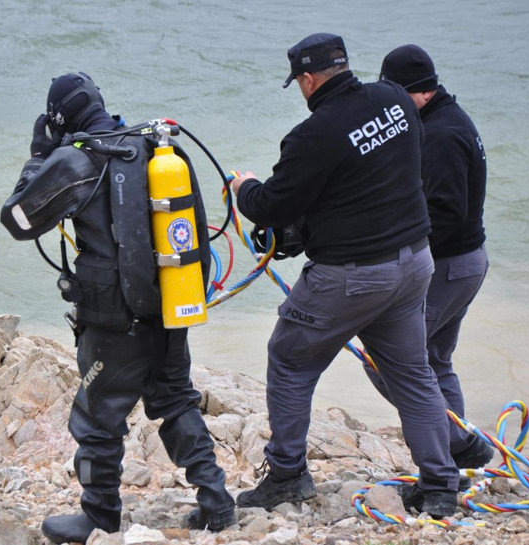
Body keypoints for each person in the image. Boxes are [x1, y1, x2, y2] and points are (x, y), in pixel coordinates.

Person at [229, 33, 460, 518]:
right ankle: (440, 486)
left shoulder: (313, 136)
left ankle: (288, 475)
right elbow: (394, 164)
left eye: (298, 83)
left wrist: (243, 188)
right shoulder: (396, 98)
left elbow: (273, 206)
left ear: (308, 79)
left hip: (352, 275)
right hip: (415, 261)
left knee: (289, 360)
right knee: (414, 372)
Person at [0, 72, 235, 543]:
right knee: (174, 398)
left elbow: (19, 218)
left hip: (112, 320)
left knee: (96, 416)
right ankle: (217, 501)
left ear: (58, 119)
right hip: (171, 303)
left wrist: (39, 156)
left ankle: (98, 516)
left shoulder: (78, 160)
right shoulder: (152, 146)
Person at [369, 44, 493, 482]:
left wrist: (394, 247)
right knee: (435, 360)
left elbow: (444, 212)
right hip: (467, 262)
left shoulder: (440, 134)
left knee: (387, 360)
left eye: (393, 94)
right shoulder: (443, 118)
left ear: (415, 92)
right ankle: (459, 451)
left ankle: (453, 452)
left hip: (450, 266)